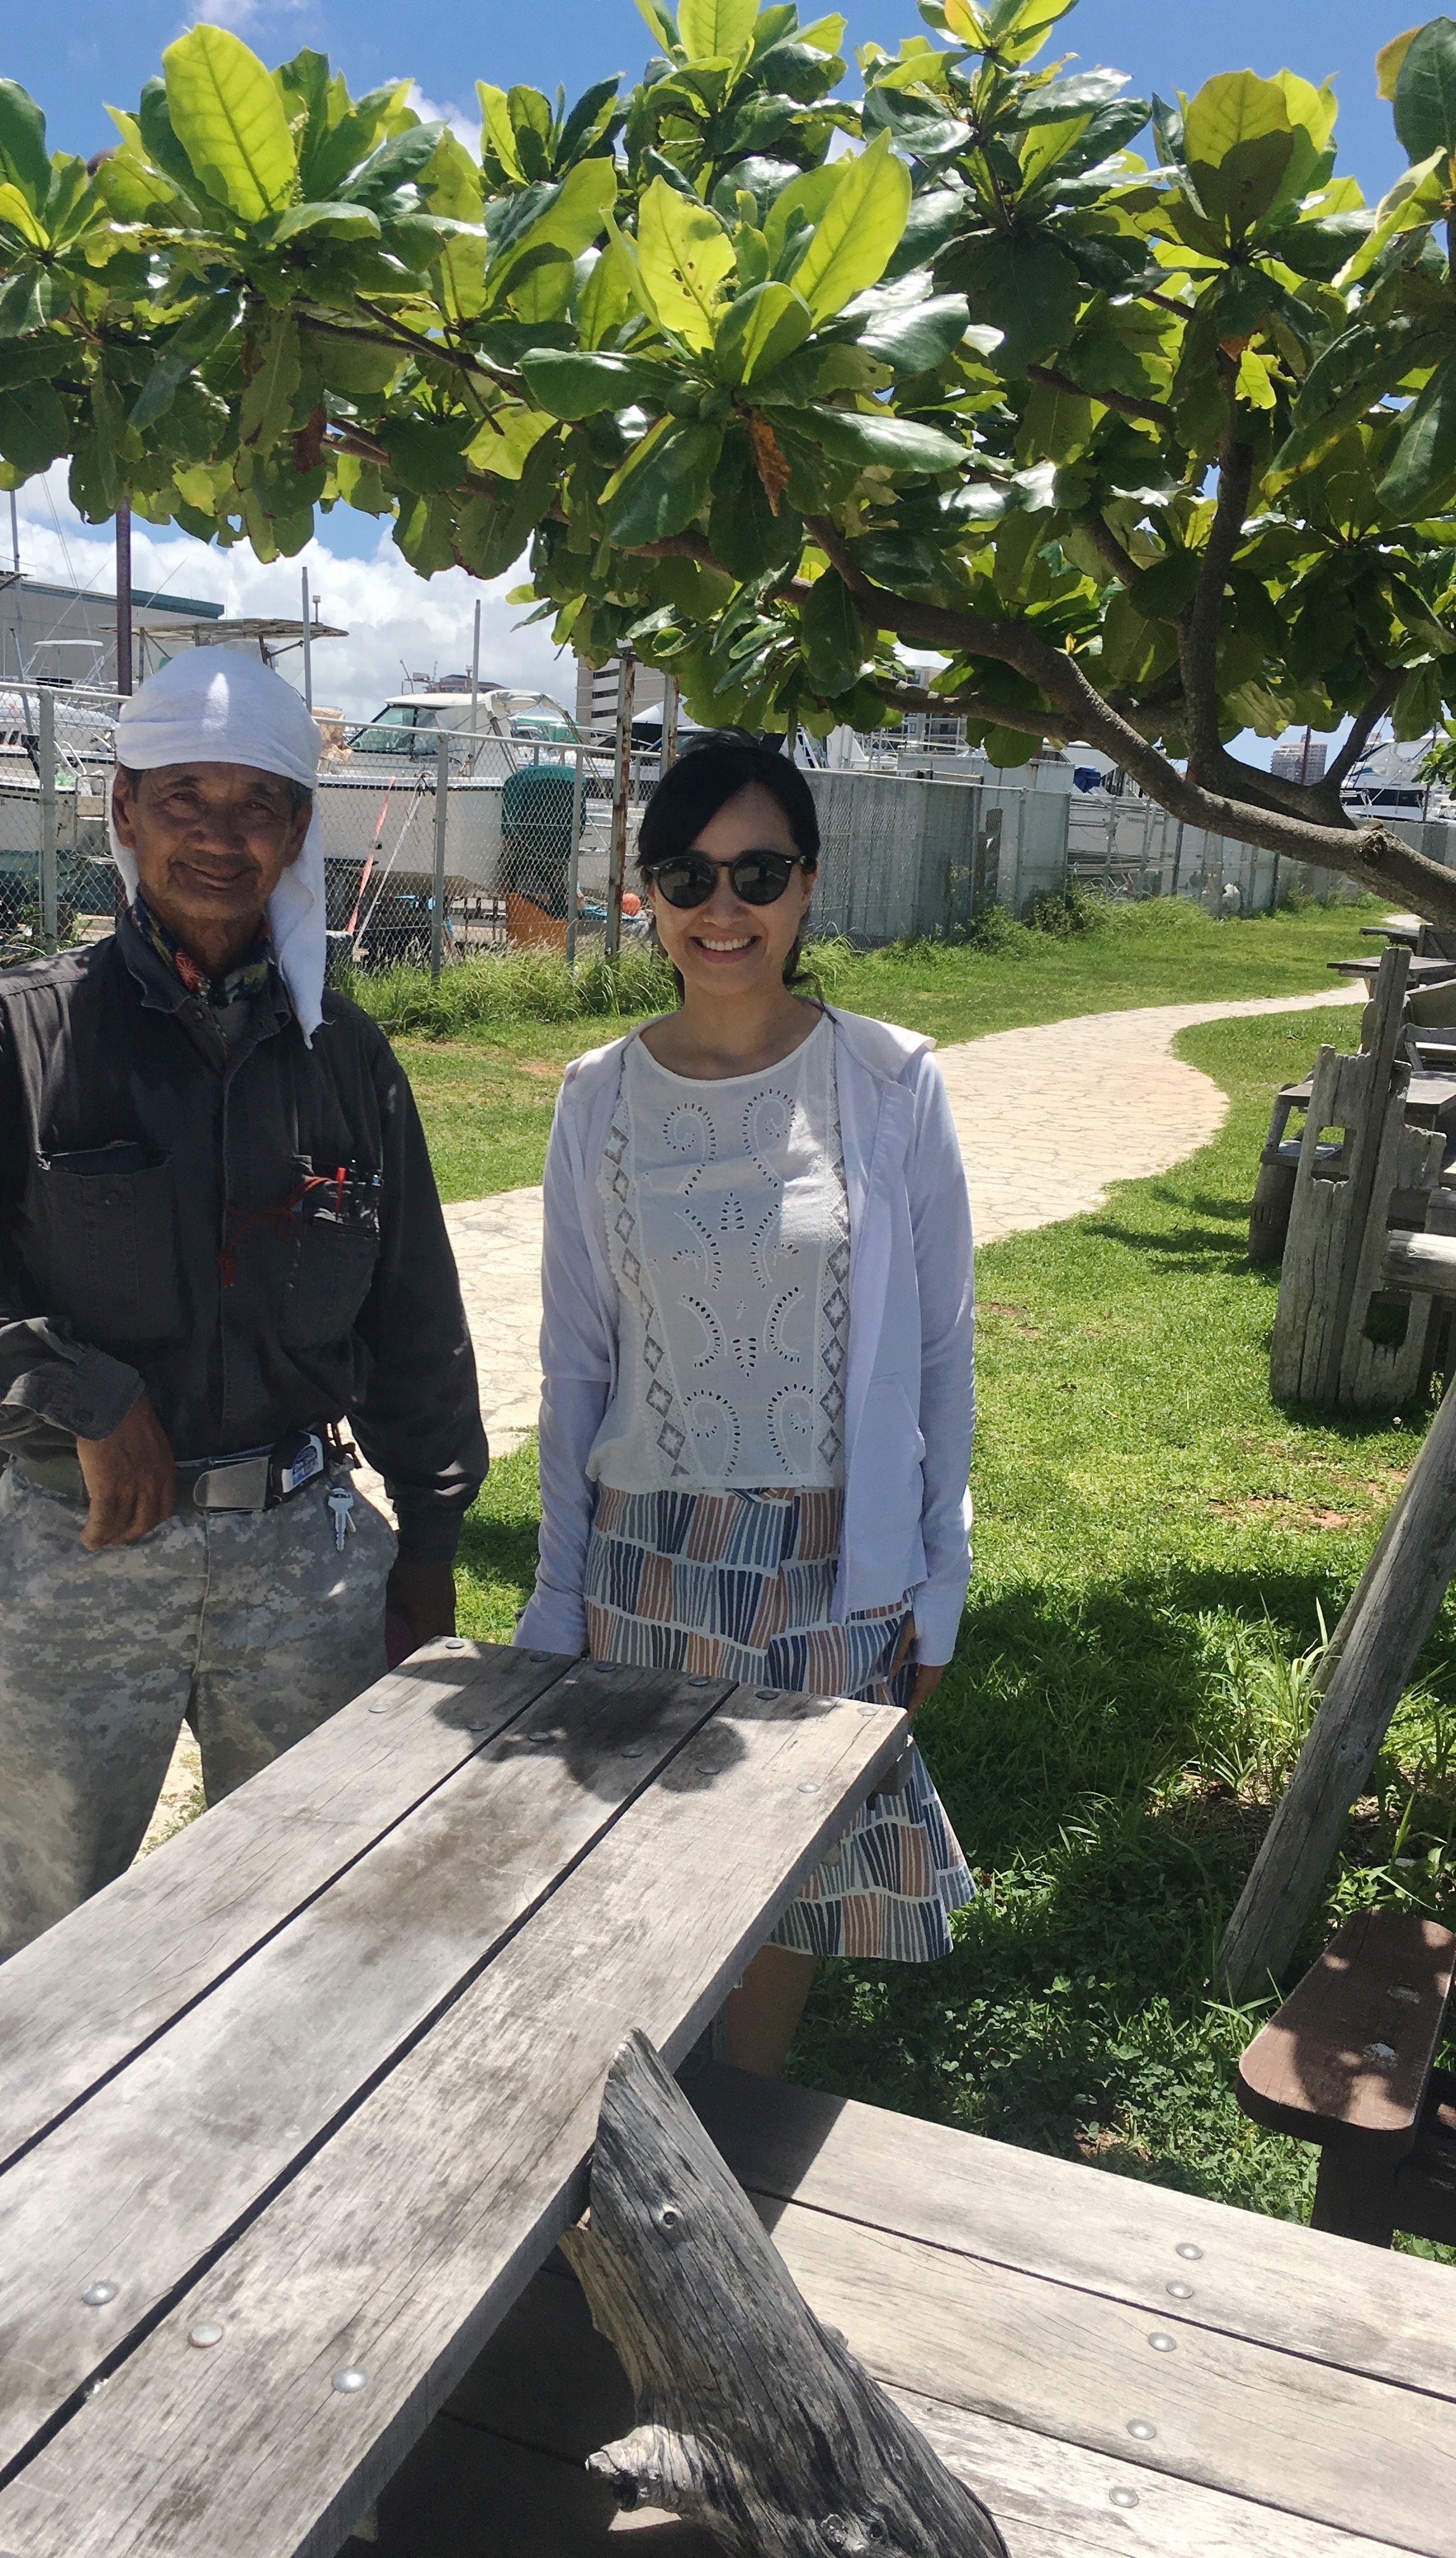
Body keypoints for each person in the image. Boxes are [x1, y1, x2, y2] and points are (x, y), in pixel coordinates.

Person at [0, 647, 488, 2021]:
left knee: (327, 1922)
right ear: (125, 812)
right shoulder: (15, 1037)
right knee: (24, 1943)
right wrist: (82, 1397)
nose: (218, 833)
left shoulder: (344, 1059)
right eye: (183, 796)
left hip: (304, 1560)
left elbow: (416, 1319)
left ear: (297, 832)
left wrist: (430, 1542)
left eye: (256, 804)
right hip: (77, 1562)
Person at [515, 732, 976, 2077]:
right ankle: (631, 2130)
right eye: (689, 876)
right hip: (648, 1561)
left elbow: (941, 1354)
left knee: (789, 1881)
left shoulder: (891, 1085)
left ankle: (743, 2130)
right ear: (649, 897)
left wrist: (938, 1578)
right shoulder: (596, 1099)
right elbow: (576, 1367)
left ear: (809, 886)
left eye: (759, 874)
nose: (724, 908)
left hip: (836, 1565)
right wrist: (557, 1590)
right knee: (640, 1868)